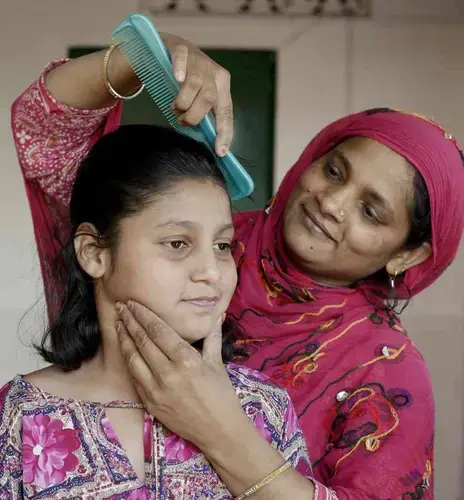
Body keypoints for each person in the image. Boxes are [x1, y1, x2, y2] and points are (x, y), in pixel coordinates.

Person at [10, 27, 464, 499]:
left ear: (407, 253)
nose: (332, 203)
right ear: (95, 253)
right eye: (334, 171)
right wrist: (141, 57)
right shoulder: (200, 231)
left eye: (371, 211)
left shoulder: (379, 371)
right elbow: (46, 135)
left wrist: (222, 431)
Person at [0, 124, 310, 498]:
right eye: (178, 243)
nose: (212, 271)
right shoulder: (22, 414)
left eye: (223, 245)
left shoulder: (262, 406)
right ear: (94, 252)